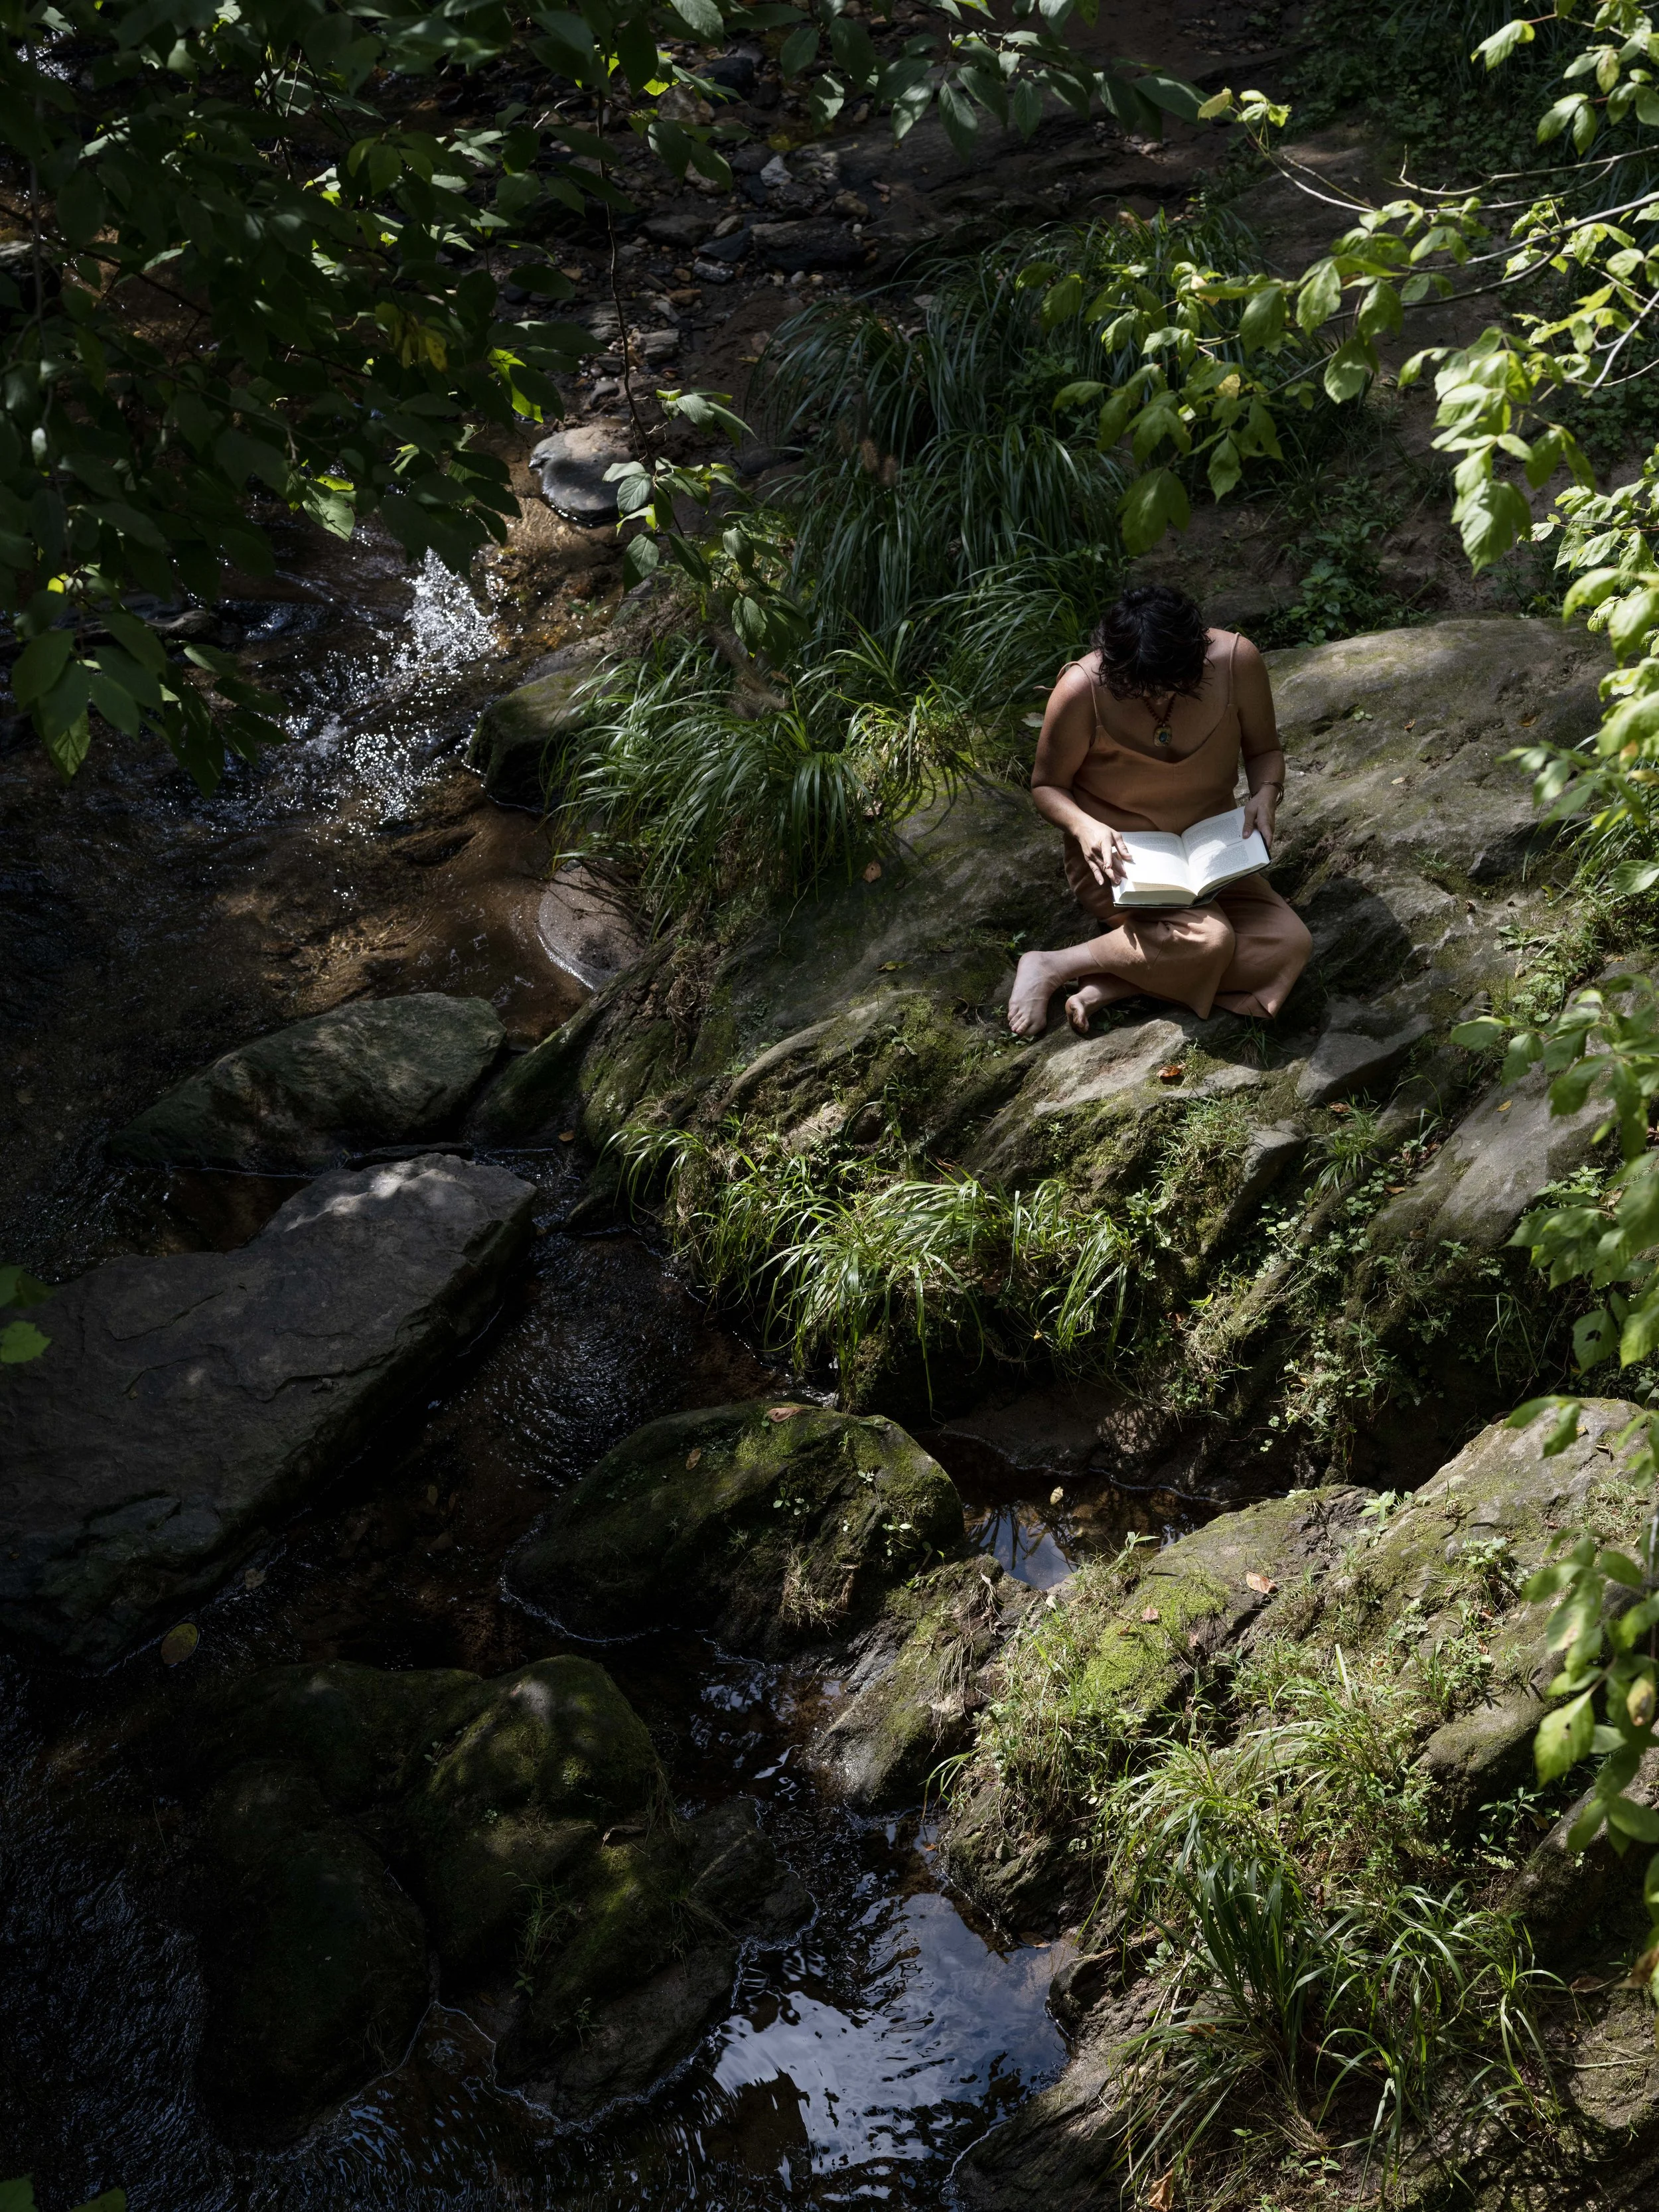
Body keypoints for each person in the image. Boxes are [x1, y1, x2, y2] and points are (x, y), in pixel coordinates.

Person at [1007, 583, 1312, 1039]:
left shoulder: (1236, 660)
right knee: (1211, 939)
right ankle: (1052, 965)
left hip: (1213, 853)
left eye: (1173, 685)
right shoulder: (1081, 689)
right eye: (1142, 688)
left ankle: (1117, 982)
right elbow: (1047, 785)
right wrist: (1085, 828)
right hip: (1120, 857)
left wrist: (1266, 794)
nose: (1158, 697)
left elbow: (1265, 751)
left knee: (1290, 944)